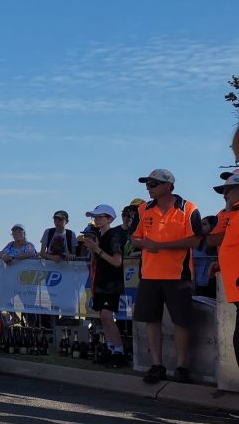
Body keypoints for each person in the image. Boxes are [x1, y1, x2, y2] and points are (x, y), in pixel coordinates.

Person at [132, 169, 202, 384]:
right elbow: (135, 238)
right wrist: (144, 244)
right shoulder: (143, 209)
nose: (148, 187)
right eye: (147, 184)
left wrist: (161, 246)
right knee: (151, 321)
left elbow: (196, 240)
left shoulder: (189, 208)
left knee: (181, 322)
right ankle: (157, 364)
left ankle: (181, 366)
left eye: (153, 184)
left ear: (168, 185)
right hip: (149, 275)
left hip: (178, 275)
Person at [79, 205, 127, 368]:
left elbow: (117, 261)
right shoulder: (100, 235)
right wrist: (93, 249)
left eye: (100, 217)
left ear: (110, 219)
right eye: (95, 217)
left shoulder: (114, 235)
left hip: (111, 283)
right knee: (103, 318)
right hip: (100, 281)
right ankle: (111, 348)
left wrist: (97, 249)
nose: (97, 219)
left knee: (107, 316)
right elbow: (98, 260)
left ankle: (119, 352)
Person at [206, 172, 239, 400]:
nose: (225, 195)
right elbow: (213, 241)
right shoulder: (227, 214)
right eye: (224, 192)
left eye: (229, 190)